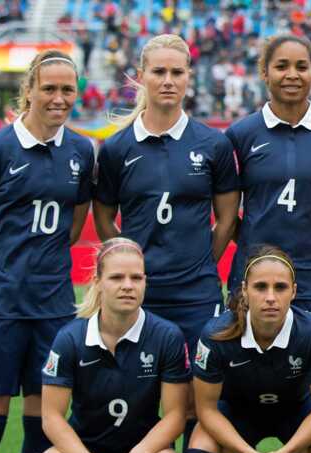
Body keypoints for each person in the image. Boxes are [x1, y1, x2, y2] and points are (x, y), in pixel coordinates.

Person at [0, 50, 94, 453]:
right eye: (49, 88)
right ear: (29, 90)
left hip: (51, 308)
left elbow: (74, 226)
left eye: (67, 89)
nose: (58, 98)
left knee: (41, 429)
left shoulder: (80, 150)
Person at [93, 33, 239, 357]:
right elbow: (103, 217)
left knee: (193, 403)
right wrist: (130, 264)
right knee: (136, 399)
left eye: (177, 73)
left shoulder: (214, 144)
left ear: (189, 76)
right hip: (140, 295)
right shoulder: (116, 149)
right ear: (142, 76)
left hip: (198, 295)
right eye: (159, 72)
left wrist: (201, 262)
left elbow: (227, 218)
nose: (168, 81)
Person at [186, 246, 311, 453]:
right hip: (237, 413)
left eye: (280, 287)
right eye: (260, 287)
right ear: (245, 291)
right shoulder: (215, 335)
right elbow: (206, 411)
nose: (270, 297)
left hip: (296, 411)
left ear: (293, 292)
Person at [35, 238, 189, 453]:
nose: (128, 286)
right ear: (98, 282)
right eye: (117, 278)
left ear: (145, 282)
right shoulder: (70, 338)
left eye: (136, 278)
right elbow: (51, 418)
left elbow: (175, 415)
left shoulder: (167, 336)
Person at [224, 34, 311, 321]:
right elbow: (227, 213)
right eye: (282, 66)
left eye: (301, 67)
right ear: (264, 72)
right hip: (252, 274)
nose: (292, 75)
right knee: (247, 364)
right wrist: (251, 241)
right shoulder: (240, 135)